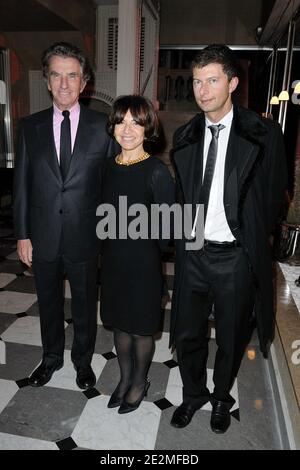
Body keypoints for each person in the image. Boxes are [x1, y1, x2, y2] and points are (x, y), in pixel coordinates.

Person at [170, 44, 287, 433]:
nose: (202, 90)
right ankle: (193, 394)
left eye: (213, 80)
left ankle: (221, 397)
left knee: (232, 336)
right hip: (194, 254)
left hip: (235, 256)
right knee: (187, 333)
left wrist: (251, 235)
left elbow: (273, 196)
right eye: (197, 81)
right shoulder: (185, 137)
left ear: (233, 83)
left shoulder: (263, 133)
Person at [13, 42, 117, 390]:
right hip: (42, 234)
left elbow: (112, 188)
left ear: (84, 81)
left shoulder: (104, 128)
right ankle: (52, 358)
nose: (64, 84)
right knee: (48, 301)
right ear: (47, 81)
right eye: (56, 75)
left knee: (86, 303)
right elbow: (22, 186)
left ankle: (83, 361)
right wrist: (23, 234)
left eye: (72, 75)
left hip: (86, 235)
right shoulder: (30, 127)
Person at [99, 95, 174, 413]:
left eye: (135, 122)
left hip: (143, 264)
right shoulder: (106, 168)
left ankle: (140, 382)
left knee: (141, 328)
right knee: (119, 325)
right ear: (113, 126)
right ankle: (125, 378)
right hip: (113, 262)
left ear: (148, 129)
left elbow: (168, 228)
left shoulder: (156, 171)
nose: (126, 129)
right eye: (120, 121)